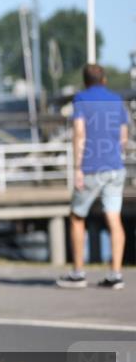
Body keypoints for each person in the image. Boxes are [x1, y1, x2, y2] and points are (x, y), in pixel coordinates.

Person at [57, 63, 130, 290]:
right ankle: (115, 274)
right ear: (104, 80)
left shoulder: (81, 99)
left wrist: (78, 167)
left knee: (77, 217)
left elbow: (79, 132)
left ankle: (78, 273)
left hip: (91, 166)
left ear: (85, 81)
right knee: (114, 219)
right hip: (115, 167)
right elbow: (124, 137)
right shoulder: (117, 100)